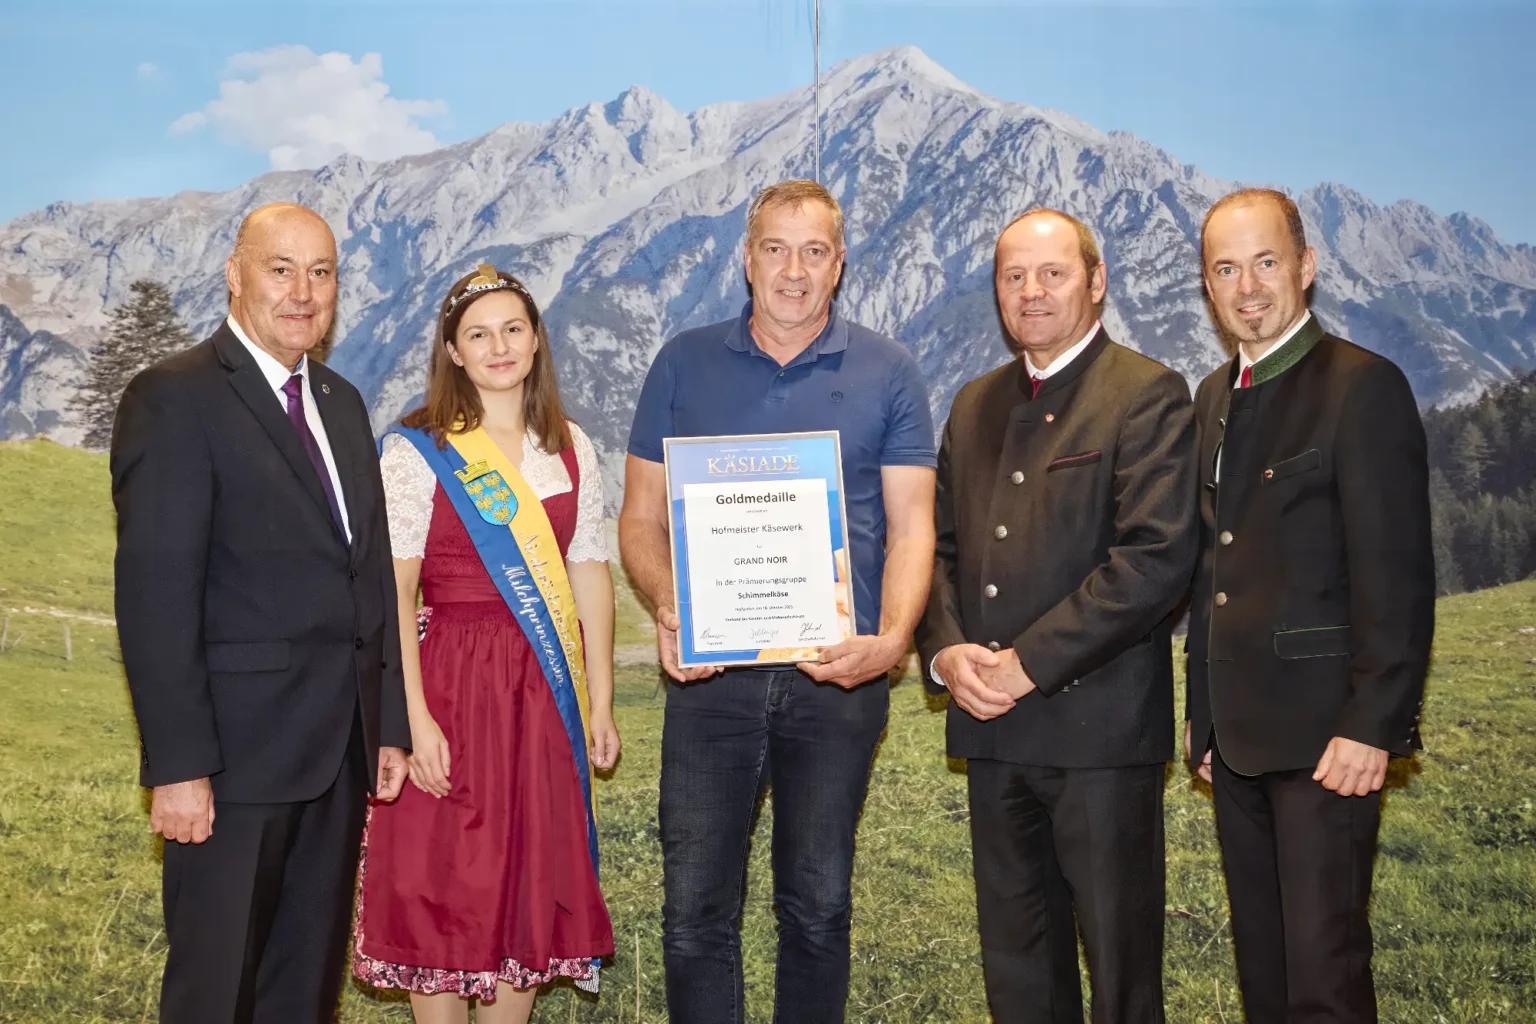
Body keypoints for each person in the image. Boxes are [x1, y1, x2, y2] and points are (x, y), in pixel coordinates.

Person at [617, 179, 936, 1024]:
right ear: (747, 260)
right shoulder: (682, 363)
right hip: (711, 680)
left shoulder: (889, 371)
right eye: (776, 249)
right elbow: (640, 518)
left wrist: (892, 639)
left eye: (814, 251)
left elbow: (913, 526)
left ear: (840, 264)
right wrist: (670, 603)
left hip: (839, 678)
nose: (794, 270)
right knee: (694, 913)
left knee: (819, 907)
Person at [110, 202, 411, 1023]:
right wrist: (178, 766)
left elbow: (368, 572)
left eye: (321, 272)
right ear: (235, 275)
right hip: (230, 768)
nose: (302, 292)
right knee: (215, 995)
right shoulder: (174, 397)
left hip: (337, 756)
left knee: (303, 996)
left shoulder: (342, 403)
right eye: (281, 269)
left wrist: (386, 723)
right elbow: (155, 596)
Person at [916, 208, 1197, 1024]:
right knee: (1019, 974)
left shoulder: (1145, 393)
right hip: (992, 732)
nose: (1031, 292)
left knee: (1120, 976)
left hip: (1100, 739)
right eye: (1013, 277)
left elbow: (1153, 560)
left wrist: (1025, 664)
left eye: (1052, 274)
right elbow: (937, 550)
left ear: (1096, 281)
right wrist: (946, 653)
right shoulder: (973, 404)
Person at [1185, 188, 1434, 1023]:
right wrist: (1202, 717)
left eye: (1265, 262)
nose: (1248, 286)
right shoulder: (1212, 397)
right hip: (1235, 742)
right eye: (1226, 269)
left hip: (1329, 741)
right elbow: (1211, 567)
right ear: (1208, 285)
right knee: (1264, 974)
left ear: (1306, 266)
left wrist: (1374, 724)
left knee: (1324, 979)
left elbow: (1397, 575)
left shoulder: (1362, 386)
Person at [352, 264, 619, 1024]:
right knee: (442, 878)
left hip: (543, 688)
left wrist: (600, 701)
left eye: (512, 329)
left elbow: (588, 571)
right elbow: (395, 592)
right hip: (450, 683)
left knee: (528, 872)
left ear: (535, 340)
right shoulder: (418, 450)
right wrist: (411, 719)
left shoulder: (571, 446)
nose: (498, 347)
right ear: (453, 351)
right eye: (478, 334)